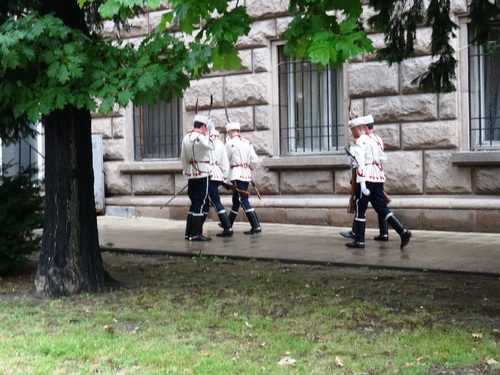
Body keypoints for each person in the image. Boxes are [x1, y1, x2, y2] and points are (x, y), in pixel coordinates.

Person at [346, 115, 412, 250]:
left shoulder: (360, 142)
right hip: (378, 178)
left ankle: (359, 241)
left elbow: (361, 164)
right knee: (382, 208)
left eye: (352, 130)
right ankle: (402, 231)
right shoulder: (374, 140)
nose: (352, 133)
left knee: (360, 207)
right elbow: (383, 157)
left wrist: (362, 183)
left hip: (367, 179)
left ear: (356, 129)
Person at [340, 115, 389, 241]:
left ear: (365, 127)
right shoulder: (378, 139)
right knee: (377, 205)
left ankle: (357, 235)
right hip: (377, 174)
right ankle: (384, 233)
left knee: (361, 204)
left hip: (367, 175)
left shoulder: (366, 139)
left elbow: (362, 159)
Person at [180, 114, 215, 241]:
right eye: (206, 127)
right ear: (204, 126)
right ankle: (196, 233)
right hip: (202, 174)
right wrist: (211, 131)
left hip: (191, 175)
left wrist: (187, 171)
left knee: (194, 203)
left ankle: (189, 232)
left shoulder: (186, 138)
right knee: (201, 202)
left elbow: (183, 158)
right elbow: (212, 145)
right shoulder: (201, 138)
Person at [225, 122, 261, 234]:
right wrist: (248, 167)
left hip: (236, 174)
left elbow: (225, 160)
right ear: (238, 131)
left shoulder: (229, 144)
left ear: (230, 132)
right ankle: (228, 224)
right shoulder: (247, 143)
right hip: (246, 175)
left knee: (242, 199)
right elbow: (255, 160)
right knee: (236, 200)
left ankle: (256, 225)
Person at [203, 119, 233, 237]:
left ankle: (227, 227)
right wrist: (224, 178)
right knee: (206, 201)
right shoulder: (220, 143)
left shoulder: (204, 141)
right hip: (217, 175)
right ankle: (199, 225)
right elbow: (225, 163)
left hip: (206, 174)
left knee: (215, 201)